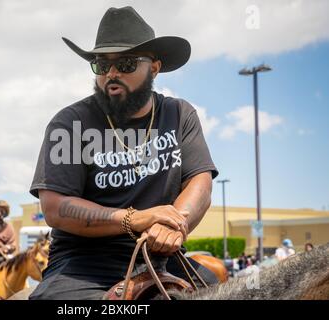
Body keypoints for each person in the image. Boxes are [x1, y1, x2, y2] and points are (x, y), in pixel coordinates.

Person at [29, 6, 219, 299]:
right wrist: (134, 219)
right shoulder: (69, 123)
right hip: (83, 265)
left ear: (154, 68)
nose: (112, 74)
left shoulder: (179, 114)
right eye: (102, 65)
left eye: (127, 64)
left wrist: (176, 224)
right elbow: (56, 208)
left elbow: (200, 183)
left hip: (164, 257)